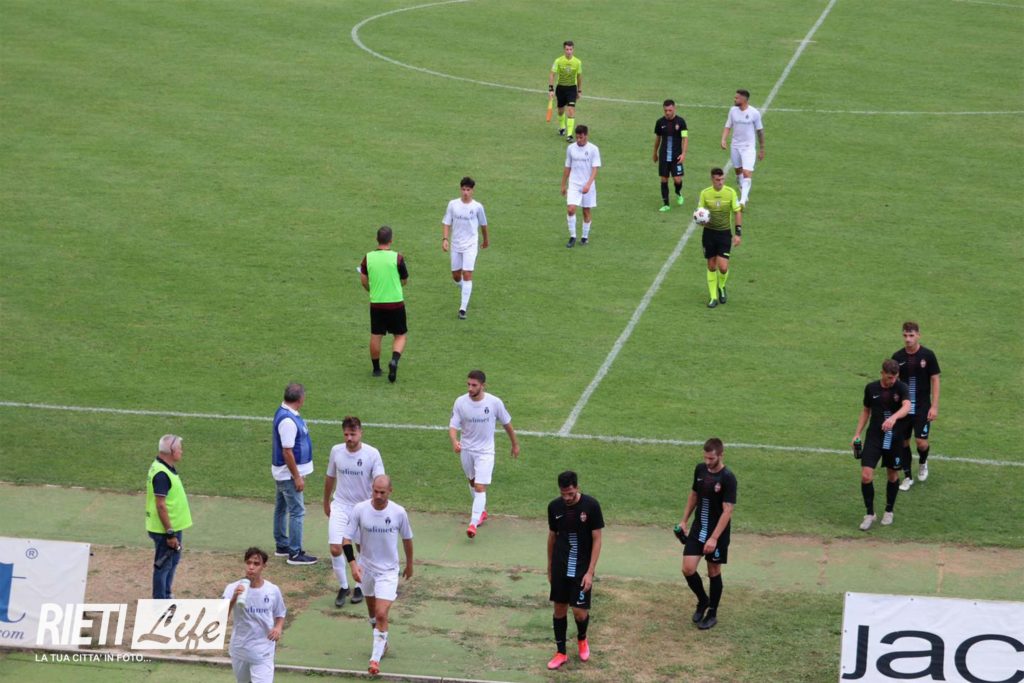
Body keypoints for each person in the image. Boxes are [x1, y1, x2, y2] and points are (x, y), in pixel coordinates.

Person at [342, 475, 414, 676]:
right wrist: (353, 564)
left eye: (382, 492)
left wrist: (409, 564)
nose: (378, 495)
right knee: (373, 614)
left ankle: (374, 660)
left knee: (381, 613)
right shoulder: (360, 509)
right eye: (375, 491)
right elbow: (346, 539)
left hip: (388, 572)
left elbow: (407, 539)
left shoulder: (398, 512)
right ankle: (383, 643)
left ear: (390, 491)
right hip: (366, 569)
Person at [449, 370, 520, 538]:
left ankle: (473, 523)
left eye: (474, 385)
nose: (470, 388)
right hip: (467, 450)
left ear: (483, 386)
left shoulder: (494, 403)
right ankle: (481, 512)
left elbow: (507, 424)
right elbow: (453, 426)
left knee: (480, 486)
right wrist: (454, 441)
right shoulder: (460, 402)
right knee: (472, 482)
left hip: (485, 452)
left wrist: (515, 444)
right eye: (468, 384)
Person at [323, 416, 385, 608]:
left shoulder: (372, 454)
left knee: (361, 549)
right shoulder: (336, 451)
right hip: (340, 505)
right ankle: (343, 587)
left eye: (353, 434)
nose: (349, 438)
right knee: (335, 547)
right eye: (346, 434)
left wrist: (377, 506)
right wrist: (326, 501)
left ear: (360, 433)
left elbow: (380, 481)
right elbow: (330, 477)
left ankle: (359, 586)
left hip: (362, 508)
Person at [546, 470, 604, 670]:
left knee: (579, 612)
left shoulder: (591, 506)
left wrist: (590, 572)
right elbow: (552, 537)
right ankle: (561, 652)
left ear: (577, 487)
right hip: (560, 566)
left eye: (570, 493)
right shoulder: (554, 507)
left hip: (581, 568)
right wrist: (550, 566)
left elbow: (597, 539)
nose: (567, 498)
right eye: (563, 494)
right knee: (559, 609)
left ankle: (582, 638)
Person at [678, 438, 737, 631]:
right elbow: (694, 495)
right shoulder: (700, 470)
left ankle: (712, 612)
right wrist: (684, 520)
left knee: (713, 571)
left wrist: (714, 538)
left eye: (711, 458)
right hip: (698, 529)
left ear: (721, 455)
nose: (707, 461)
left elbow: (727, 511)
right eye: (705, 457)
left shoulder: (728, 478)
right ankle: (703, 600)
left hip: (717, 533)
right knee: (688, 569)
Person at [852, 359, 912, 530]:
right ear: (882, 373)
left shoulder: (901, 387)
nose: (892, 380)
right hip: (874, 437)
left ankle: (889, 510)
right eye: (889, 377)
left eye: (895, 377)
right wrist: (857, 434)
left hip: (894, 438)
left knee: (892, 475)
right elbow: (866, 410)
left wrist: (893, 417)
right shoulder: (871, 388)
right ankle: (869, 514)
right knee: (866, 476)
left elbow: (907, 406)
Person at [223, 547, 286, 683]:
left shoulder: (272, 590)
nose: (251, 567)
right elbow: (221, 617)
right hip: (240, 648)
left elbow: (280, 613)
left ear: (264, 566)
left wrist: (278, 628)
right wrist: (234, 598)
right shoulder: (232, 588)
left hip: (263, 650)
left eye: (256, 564)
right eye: (249, 563)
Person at [892, 321, 942, 490]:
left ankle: (923, 461)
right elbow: (893, 382)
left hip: (922, 407)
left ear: (918, 335)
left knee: (921, 442)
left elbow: (935, 380)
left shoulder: (928, 355)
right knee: (903, 443)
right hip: (903, 409)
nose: (908, 339)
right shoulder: (897, 357)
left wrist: (934, 406)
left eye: (911, 335)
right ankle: (907, 477)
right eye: (905, 335)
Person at [271, 383, 317, 565]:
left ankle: (282, 545)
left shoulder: (286, 413)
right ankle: (295, 553)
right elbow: (287, 452)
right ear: (300, 399)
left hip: (284, 473)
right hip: (288, 475)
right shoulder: (288, 421)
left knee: (281, 508)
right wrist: (297, 476)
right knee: (297, 511)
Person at [145, 434, 192, 599]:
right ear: (171, 451)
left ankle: (166, 595)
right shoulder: (162, 474)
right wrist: (170, 533)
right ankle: (160, 602)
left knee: (171, 562)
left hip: (171, 527)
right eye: (179, 448)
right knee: (164, 566)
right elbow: (160, 505)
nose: (181, 451)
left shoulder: (163, 467)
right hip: (166, 530)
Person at [360, 225, 409, 382]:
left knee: (376, 335)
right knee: (400, 335)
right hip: (396, 303)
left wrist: (371, 289)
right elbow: (404, 280)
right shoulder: (397, 258)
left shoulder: (368, 257)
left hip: (377, 303)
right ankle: (394, 360)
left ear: (377, 239)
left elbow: (364, 280)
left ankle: (376, 369)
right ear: (391, 240)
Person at [441, 177, 489, 320]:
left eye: (468, 190)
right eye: (463, 189)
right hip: (456, 244)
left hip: (471, 245)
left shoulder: (477, 207)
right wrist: (445, 239)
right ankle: (466, 289)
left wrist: (486, 240)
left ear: (472, 191)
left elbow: (483, 225)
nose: (465, 192)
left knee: (467, 273)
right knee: (456, 276)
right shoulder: (453, 204)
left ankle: (462, 309)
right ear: (460, 189)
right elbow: (447, 222)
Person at [697, 168, 743, 308]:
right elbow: (700, 212)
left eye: (722, 179)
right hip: (709, 234)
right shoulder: (705, 193)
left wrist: (738, 233)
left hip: (724, 234)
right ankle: (713, 297)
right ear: (712, 179)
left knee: (723, 267)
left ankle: (721, 286)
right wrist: (701, 221)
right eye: (717, 180)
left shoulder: (730, 192)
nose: (720, 182)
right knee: (711, 266)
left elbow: (737, 212)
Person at [720, 89, 765, 207]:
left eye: (737, 98)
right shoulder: (733, 111)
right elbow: (728, 126)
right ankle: (743, 190)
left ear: (744, 99)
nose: (734, 99)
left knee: (747, 172)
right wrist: (723, 139)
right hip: (735, 146)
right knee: (738, 171)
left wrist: (761, 149)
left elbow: (760, 131)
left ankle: (742, 201)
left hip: (748, 147)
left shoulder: (754, 113)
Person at [561, 125, 601, 248]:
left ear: (586, 136)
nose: (578, 140)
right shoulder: (570, 148)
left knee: (586, 211)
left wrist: (588, 184)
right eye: (577, 137)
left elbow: (595, 169)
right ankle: (572, 236)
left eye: (581, 137)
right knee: (570, 209)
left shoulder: (593, 149)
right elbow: (567, 167)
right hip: (574, 183)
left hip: (587, 184)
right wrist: (563, 184)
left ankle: (584, 237)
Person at [652, 99, 688, 212]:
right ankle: (666, 204)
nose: (667, 112)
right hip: (663, 156)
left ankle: (678, 192)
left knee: (677, 179)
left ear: (674, 109)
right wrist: (655, 152)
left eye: (670, 110)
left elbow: (685, 138)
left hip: (676, 157)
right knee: (664, 179)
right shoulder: (660, 122)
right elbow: (658, 139)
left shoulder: (681, 122)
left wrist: (683, 154)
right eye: (665, 110)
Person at [548, 40, 582, 141]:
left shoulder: (577, 62)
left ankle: (569, 135)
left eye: (570, 49)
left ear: (573, 49)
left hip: (572, 88)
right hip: (561, 88)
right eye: (567, 49)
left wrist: (579, 90)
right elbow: (552, 74)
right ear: (564, 49)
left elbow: (579, 77)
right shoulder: (558, 61)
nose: (569, 51)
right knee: (560, 111)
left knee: (571, 110)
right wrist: (551, 89)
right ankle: (562, 127)